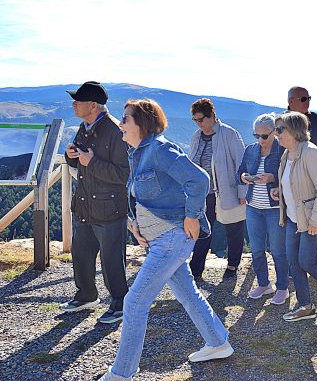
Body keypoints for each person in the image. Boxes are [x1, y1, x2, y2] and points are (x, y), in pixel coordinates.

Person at [99, 99, 232, 380]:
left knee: (134, 302)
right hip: (161, 239)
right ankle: (218, 342)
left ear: (142, 123)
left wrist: (192, 216)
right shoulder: (138, 153)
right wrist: (136, 224)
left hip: (172, 238)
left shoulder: (159, 150)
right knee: (187, 293)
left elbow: (199, 179)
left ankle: (121, 373)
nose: (120, 124)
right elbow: (142, 196)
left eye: (125, 119)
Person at [60, 81, 129, 324]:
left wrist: (92, 163)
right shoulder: (85, 127)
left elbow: (124, 175)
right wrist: (71, 157)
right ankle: (86, 295)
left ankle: (120, 304)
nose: (73, 104)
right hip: (85, 206)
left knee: (112, 262)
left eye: (77, 101)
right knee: (81, 255)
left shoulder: (116, 131)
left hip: (109, 210)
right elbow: (81, 163)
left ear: (92, 105)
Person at [274, 112, 317, 322]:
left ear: (294, 131)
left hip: (313, 218)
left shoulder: (311, 153)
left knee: (307, 261)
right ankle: (305, 306)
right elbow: (292, 183)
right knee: (294, 263)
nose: (276, 134)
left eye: (280, 130)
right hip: (294, 217)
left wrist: (315, 221)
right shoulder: (287, 154)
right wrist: (279, 192)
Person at [188, 98, 246, 281]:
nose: (199, 124)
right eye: (195, 120)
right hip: (203, 193)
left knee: (233, 229)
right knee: (203, 230)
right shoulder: (197, 136)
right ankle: (196, 269)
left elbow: (242, 164)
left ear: (212, 116)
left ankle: (232, 266)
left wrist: (243, 192)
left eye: (201, 119)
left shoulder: (229, 134)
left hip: (227, 190)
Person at [237, 114, 289, 305]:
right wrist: (243, 177)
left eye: (264, 136)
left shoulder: (282, 150)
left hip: (274, 208)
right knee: (257, 249)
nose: (260, 140)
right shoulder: (250, 150)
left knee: (278, 250)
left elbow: (290, 176)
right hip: (253, 207)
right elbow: (239, 171)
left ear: (275, 132)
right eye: (256, 135)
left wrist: (272, 178)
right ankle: (264, 284)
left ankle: (282, 287)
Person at [287, 86, 317, 263]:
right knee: (294, 223)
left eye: (308, 98)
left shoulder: (315, 119)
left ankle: (315, 261)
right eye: (303, 99)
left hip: (314, 181)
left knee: (316, 219)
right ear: (291, 101)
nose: (307, 102)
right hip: (293, 183)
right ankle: (298, 265)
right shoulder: (283, 121)